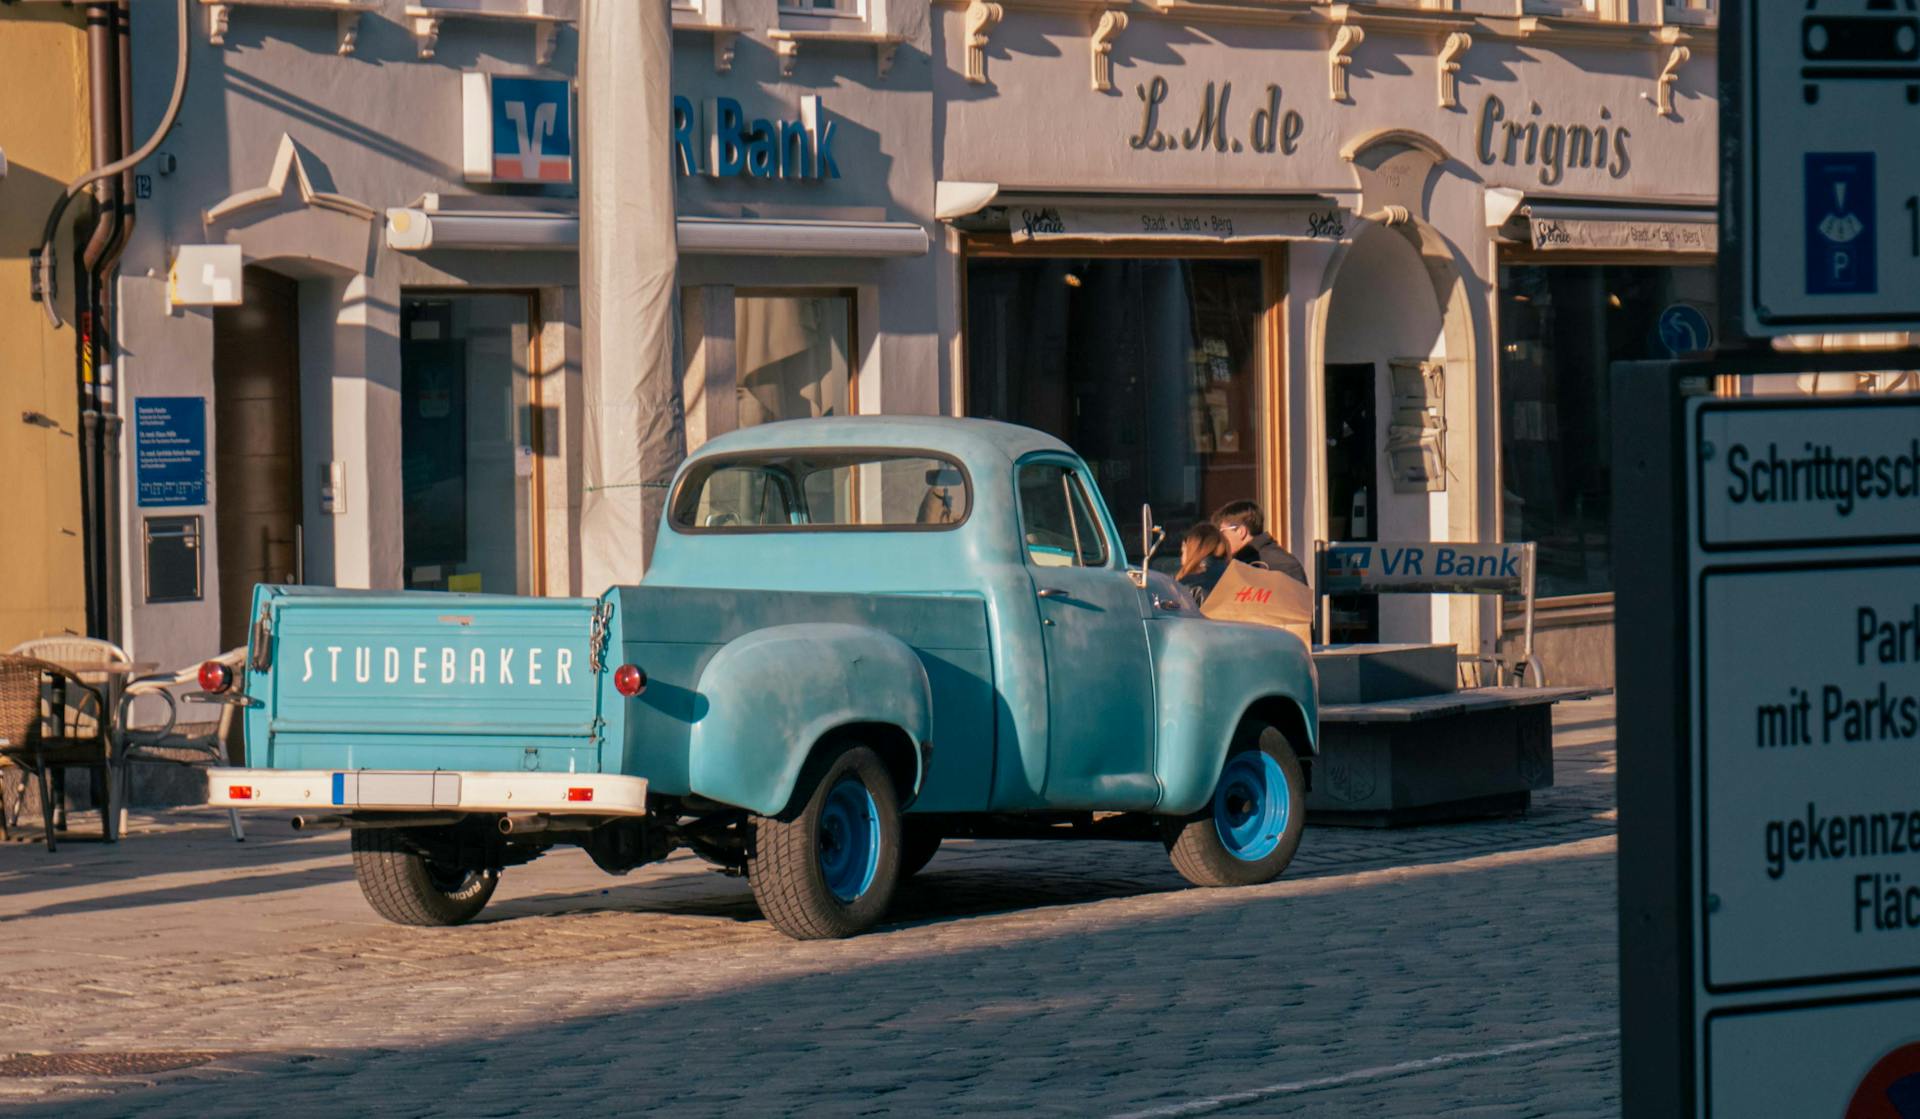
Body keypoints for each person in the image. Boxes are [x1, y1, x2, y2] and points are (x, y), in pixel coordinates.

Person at [1212, 499, 1309, 585]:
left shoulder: (1280, 565)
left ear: (1241, 531)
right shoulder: (1233, 565)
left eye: (1222, 532)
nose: (1220, 539)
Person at [1175, 522, 1231, 606]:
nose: (1181, 556)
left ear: (1191, 549)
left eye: (1183, 550)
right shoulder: (1233, 576)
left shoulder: (1188, 586)